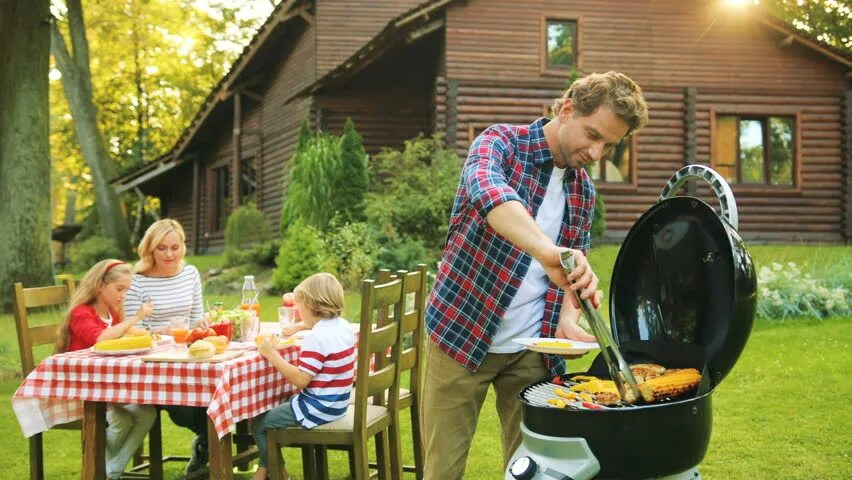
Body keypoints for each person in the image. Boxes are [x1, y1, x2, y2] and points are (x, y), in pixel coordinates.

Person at [421, 71, 649, 479]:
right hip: (460, 334)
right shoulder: (499, 144)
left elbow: (570, 268)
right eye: (592, 135)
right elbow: (491, 194)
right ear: (566, 110)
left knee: (535, 470)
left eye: (609, 145)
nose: (597, 153)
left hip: (532, 350)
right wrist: (549, 252)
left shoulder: (583, 191)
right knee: (443, 470)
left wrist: (567, 319)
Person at [54, 259, 157, 480]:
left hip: (108, 386)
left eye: (126, 290)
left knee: (147, 411)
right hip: (82, 389)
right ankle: (104, 469)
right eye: (119, 289)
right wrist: (136, 317)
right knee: (122, 419)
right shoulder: (81, 313)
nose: (123, 295)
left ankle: (112, 470)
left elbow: (120, 337)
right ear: (100, 285)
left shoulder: (112, 313)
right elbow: (98, 339)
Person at [123, 218, 209, 474]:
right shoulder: (137, 281)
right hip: (154, 365)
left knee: (215, 390)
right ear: (150, 248)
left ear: (183, 246)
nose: (169, 254)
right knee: (183, 410)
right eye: (162, 248)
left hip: (189, 355)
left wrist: (203, 325)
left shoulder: (190, 274)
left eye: (175, 246)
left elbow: (196, 319)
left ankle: (207, 445)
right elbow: (130, 329)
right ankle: (211, 443)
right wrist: (156, 332)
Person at [251, 273, 356, 480]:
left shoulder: (316, 339)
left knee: (259, 424)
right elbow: (318, 326)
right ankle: (268, 468)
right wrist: (298, 327)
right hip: (337, 404)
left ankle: (275, 471)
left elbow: (300, 379)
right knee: (283, 403)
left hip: (318, 409)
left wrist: (271, 354)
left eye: (299, 309)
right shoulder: (342, 326)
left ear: (311, 306)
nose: (298, 314)